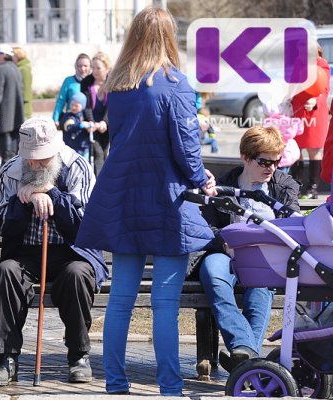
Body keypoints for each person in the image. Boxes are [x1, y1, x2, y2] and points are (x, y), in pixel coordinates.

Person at [75, 7, 216, 396]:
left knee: (120, 301)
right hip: (167, 199)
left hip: (123, 196)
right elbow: (187, 150)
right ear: (169, 38)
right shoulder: (175, 84)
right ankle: (170, 387)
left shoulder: (118, 86)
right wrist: (202, 178)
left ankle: (116, 384)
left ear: (134, 36)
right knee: (163, 303)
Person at [0, 116, 108, 386]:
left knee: (77, 275)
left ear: (54, 149)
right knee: (6, 271)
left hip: (72, 251)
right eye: (30, 158)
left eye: (41, 159)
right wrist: (25, 200)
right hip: (25, 251)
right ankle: (6, 358)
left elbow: (83, 225)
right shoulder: (11, 170)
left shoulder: (78, 166)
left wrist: (51, 193)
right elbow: (4, 226)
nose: (34, 164)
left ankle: (79, 355)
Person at [198, 126, 300, 372]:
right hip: (225, 253)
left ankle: (244, 359)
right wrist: (221, 240)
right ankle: (249, 358)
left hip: (266, 258)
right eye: (264, 161)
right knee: (213, 273)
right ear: (246, 157)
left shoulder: (284, 185)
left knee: (259, 291)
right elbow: (206, 226)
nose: (271, 168)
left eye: (276, 162)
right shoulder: (223, 184)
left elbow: (293, 223)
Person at [290, 47, 331, 199]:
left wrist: (315, 101)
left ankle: (313, 187)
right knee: (295, 149)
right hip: (298, 110)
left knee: (313, 150)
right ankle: (296, 185)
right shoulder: (298, 64)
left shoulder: (322, 65)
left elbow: (324, 89)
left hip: (314, 111)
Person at [0, 45, 25, 166]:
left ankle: (7, 163)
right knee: (15, 135)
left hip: (5, 109)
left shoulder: (1, 70)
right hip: (17, 109)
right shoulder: (16, 68)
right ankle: (14, 162)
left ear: (3, 55)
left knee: (5, 135)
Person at [80, 52, 111, 176]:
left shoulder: (113, 82)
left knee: (106, 153)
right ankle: (99, 183)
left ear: (107, 69)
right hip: (92, 124)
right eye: (93, 68)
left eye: (98, 68)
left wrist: (105, 122)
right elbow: (86, 105)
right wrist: (91, 122)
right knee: (97, 153)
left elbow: (113, 105)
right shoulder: (86, 82)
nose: (95, 71)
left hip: (108, 123)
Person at [263, 101, 303, 174]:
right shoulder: (289, 121)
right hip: (287, 152)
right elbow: (298, 131)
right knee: (283, 174)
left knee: (275, 173)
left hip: (273, 151)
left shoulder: (268, 122)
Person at [52, 54, 92, 126]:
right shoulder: (69, 81)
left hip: (89, 121)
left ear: (90, 67)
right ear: (76, 67)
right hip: (71, 120)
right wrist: (55, 119)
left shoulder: (93, 82)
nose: (82, 69)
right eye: (80, 66)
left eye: (85, 66)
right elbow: (61, 100)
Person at [59, 92, 93, 162]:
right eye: (72, 105)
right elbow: (68, 127)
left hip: (84, 146)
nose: (73, 107)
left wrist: (90, 126)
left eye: (76, 106)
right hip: (72, 147)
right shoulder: (68, 116)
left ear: (82, 106)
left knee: (85, 163)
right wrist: (81, 125)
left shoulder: (84, 116)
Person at [13, 46, 33, 119]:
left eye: (13, 56)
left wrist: (24, 101)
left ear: (18, 56)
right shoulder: (18, 67)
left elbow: (26, 87)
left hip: (24, 105)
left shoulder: (24, 68)